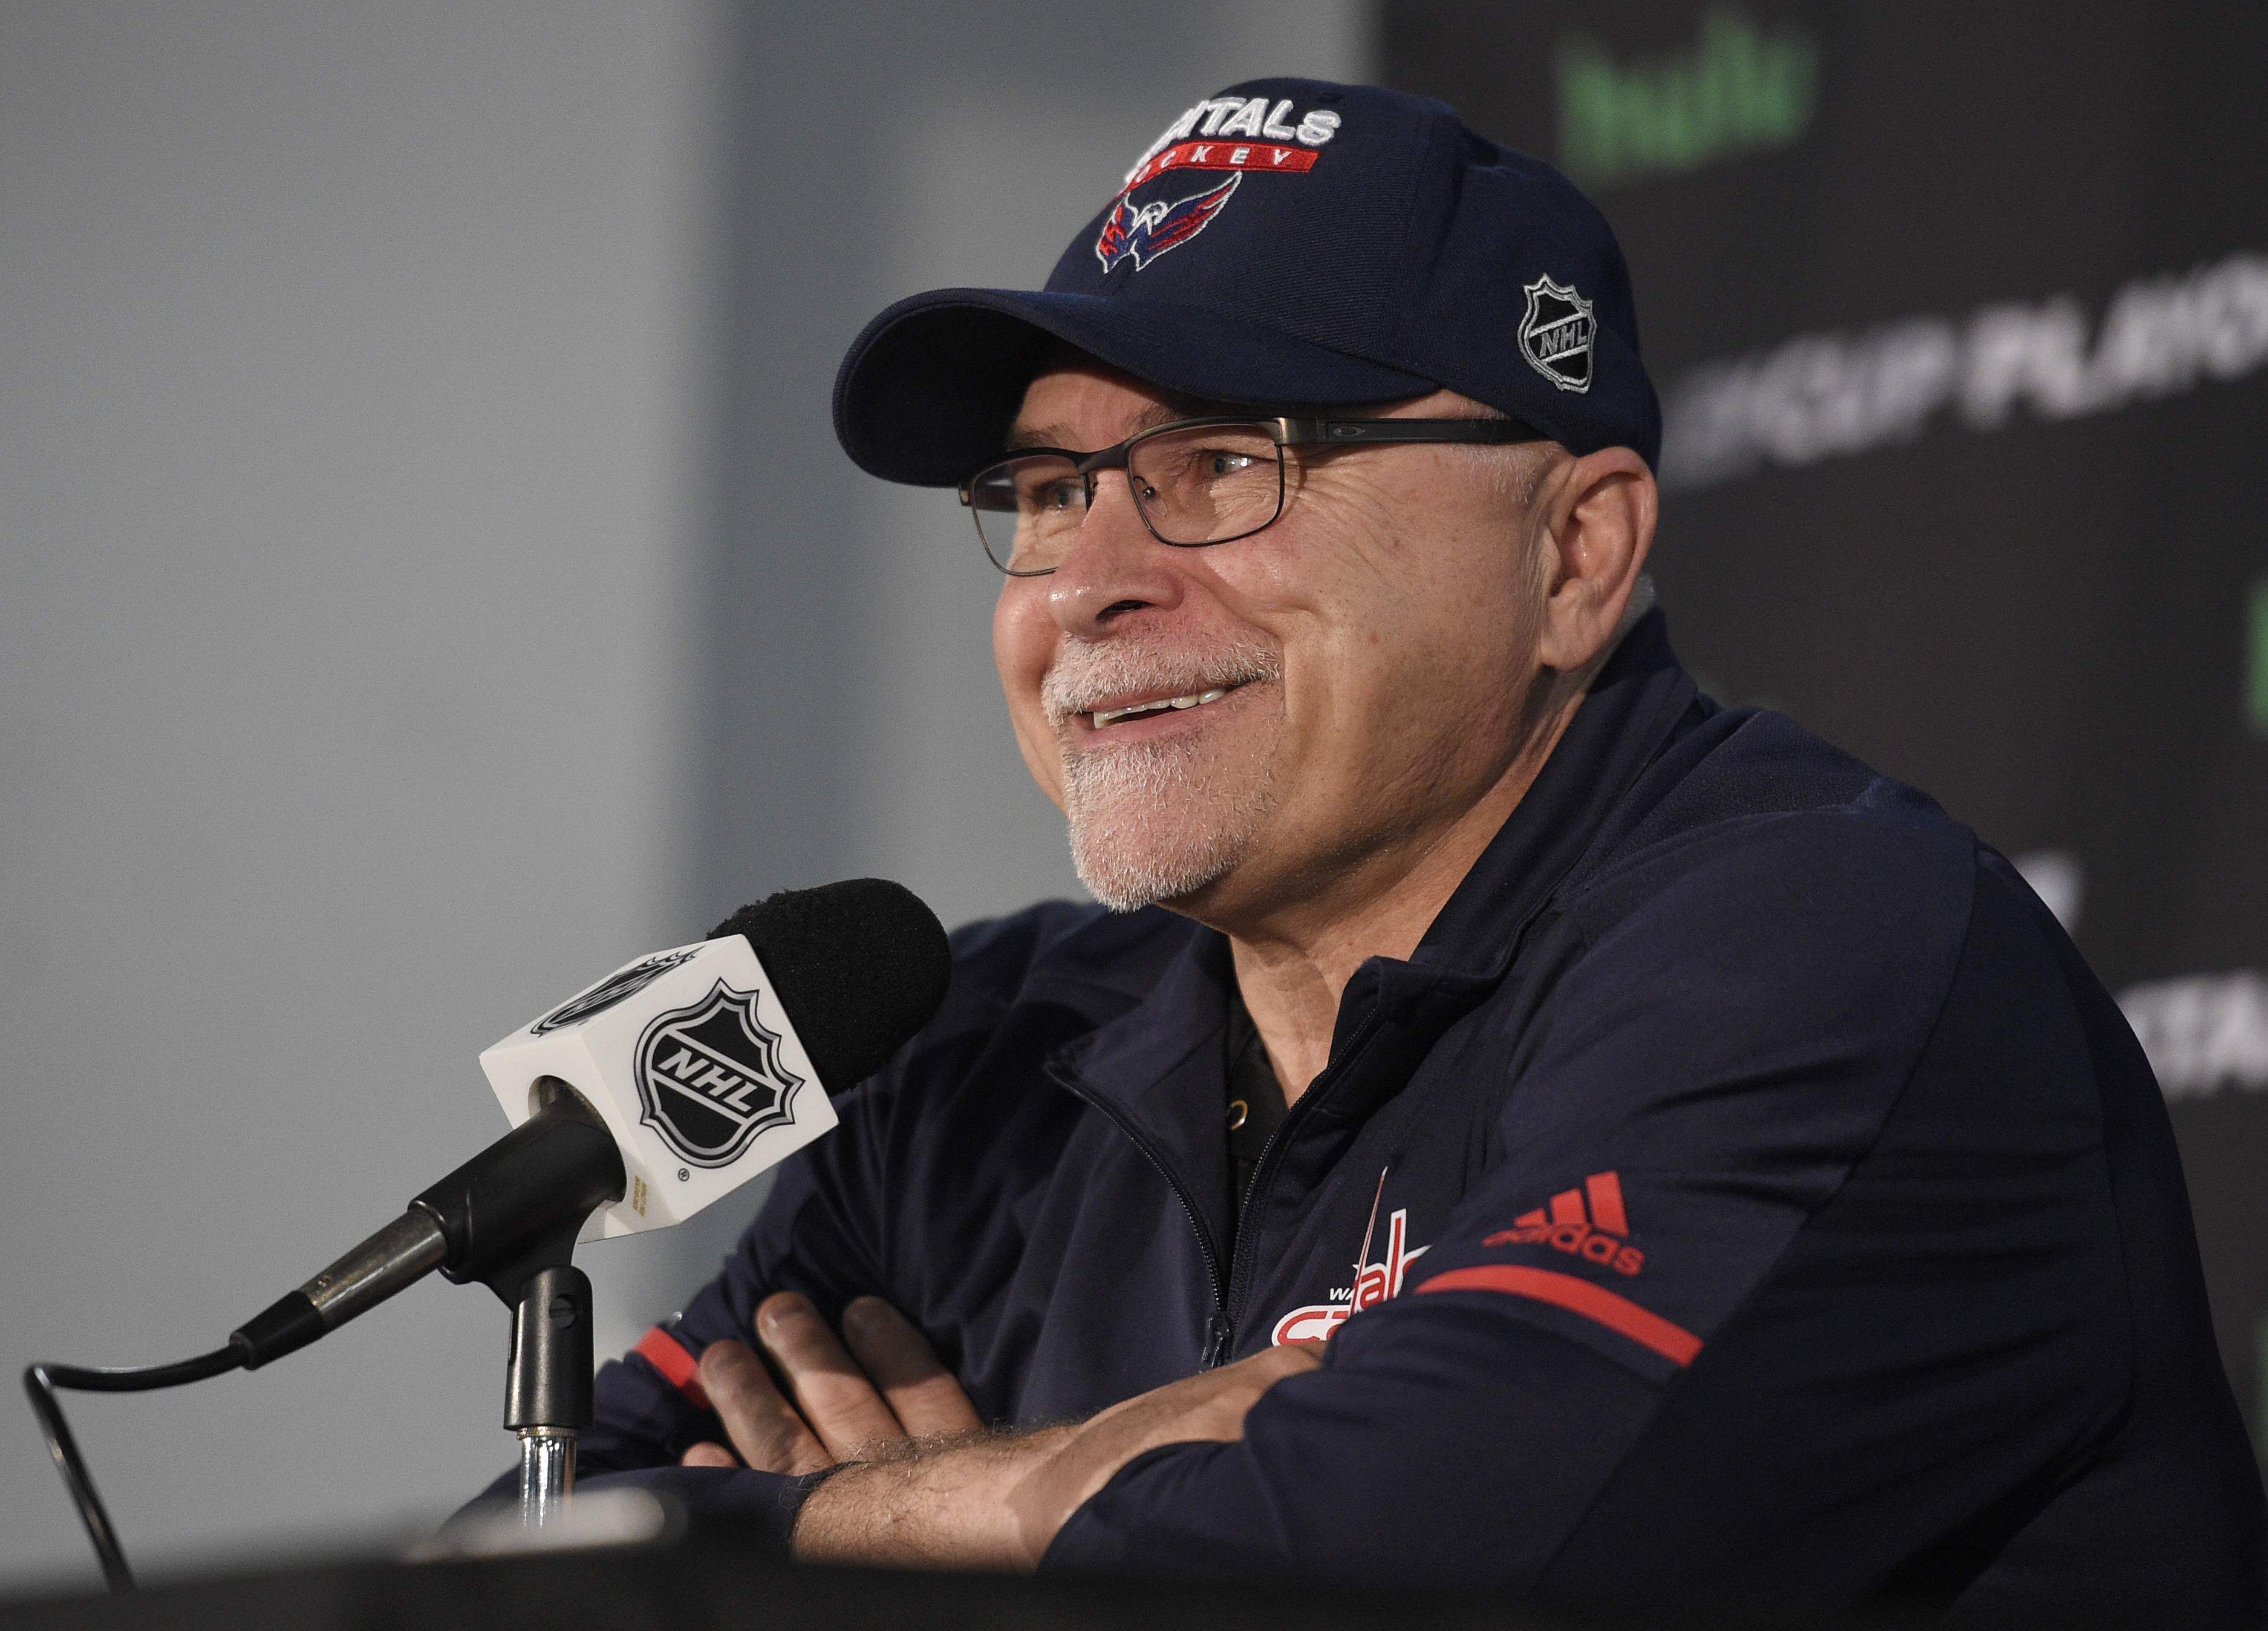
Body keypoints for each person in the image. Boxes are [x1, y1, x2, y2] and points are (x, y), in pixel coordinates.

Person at [560, 79, 2264, 1622]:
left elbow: (1401, 1565)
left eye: (1224, 465)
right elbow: (514, 1567)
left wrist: (837, 1533)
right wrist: (968, 1508)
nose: (1084, 586)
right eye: (1050, 488)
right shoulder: (978, 1056)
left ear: (1579, 554)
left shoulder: (1820, 937)